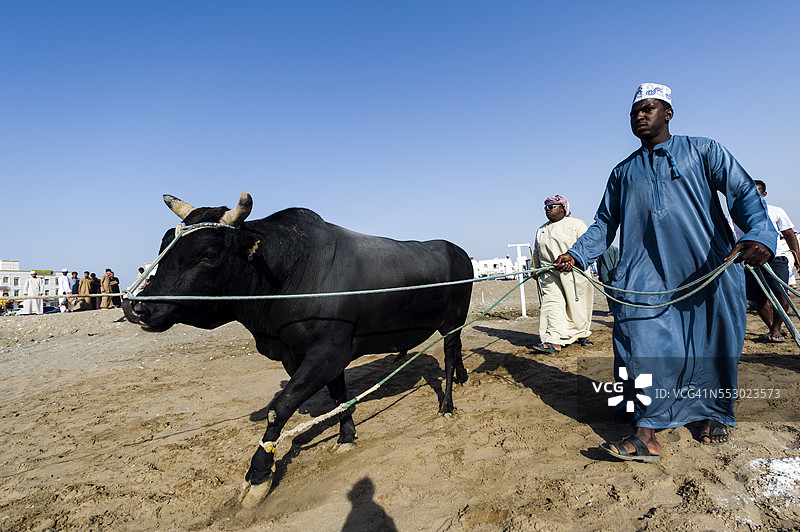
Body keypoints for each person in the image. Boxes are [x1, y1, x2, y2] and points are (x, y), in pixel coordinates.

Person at [553, 83, 776, 460]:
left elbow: (743, 193)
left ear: (667, 113)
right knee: (642, 347)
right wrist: (577, 254)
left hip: (707, 267)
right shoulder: (623, 171)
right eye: (634, 111)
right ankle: (646, 431)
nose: (639, 115)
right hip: (645, 274)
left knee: (712, 343)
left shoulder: (704, 150)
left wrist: (760, 235)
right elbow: (605, 223)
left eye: (648, 109)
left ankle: (711, 412)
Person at [531, 194, 594, 354]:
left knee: (577, 307)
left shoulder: (577, 225)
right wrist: (536, 269)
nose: (547, 210)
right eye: (546, 207)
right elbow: (537, 252)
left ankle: (581, 334)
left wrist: (576, 261)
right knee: (552, 305)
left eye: (551, 207)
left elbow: (587, 248)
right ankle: (552, 341)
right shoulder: (541, 230)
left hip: (574, 273)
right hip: (549, 274)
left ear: (563, 208)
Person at [744, 180, 800, 342]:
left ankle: (776, 329)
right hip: (750, 262)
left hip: (776, 259)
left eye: (757, 192)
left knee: (781, 295)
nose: (752, 195)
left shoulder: (776, 211)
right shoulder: (738, 213)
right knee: (758, 298)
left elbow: (789, 234)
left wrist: (797, 257)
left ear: (764, 194)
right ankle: (773, 330)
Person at [595, 245, 620, 316]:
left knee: (610, 291)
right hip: (609, 271)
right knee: (611, 291)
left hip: (609, 271)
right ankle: (613, 309)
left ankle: (613, 309)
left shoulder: (601, 250)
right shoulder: (614, 249)